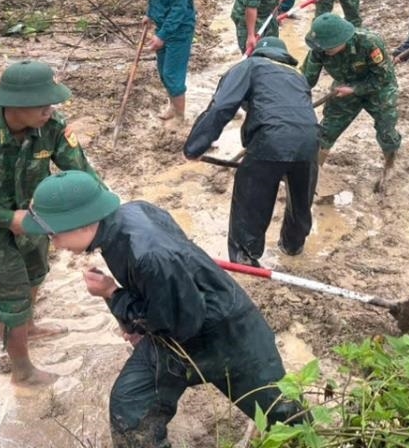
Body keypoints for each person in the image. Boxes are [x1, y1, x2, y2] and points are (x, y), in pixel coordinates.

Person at [23, 170, 303, 447]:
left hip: (227, 335)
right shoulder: (133, 212)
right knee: (130, 408)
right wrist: (130, 316)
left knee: (286, 418)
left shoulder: (149, 256)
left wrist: (112, 294)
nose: (54, 245)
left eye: (53, 235)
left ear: (83, 224)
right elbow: (160, 298)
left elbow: (176, 324)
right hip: (179, 321)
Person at [0, 60, 100, 386]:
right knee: (12, 299)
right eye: (41, 104)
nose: (49, 110)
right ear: (14, 105)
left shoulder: (52, 127)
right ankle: (22, 372)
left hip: (32, 224)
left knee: (36, 274)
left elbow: (81, 173)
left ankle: (29, 327)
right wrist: (6, 218)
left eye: (51, 102)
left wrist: (102, 210)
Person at [183, 36, 319, 265]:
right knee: (301, 199)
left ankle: (245, 259)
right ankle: (293, 246)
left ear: (258, 53)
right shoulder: (298, 76)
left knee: (252, 201)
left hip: (270, 139)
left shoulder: (249, 66)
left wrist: (194, 147)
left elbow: (221, 107)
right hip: (310, 140)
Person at [301, 13, 401, 173]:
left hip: (378, 88)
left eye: (329, 48)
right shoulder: (319, 49)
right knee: (326, 131)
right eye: (323, 48)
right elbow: (306, 79)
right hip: (344, 88)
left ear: (342, 40)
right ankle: (313, 171)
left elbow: (382, 78)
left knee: (386, 128)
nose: (325, 51)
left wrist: (355, 89)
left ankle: (390, 166)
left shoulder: (369, 43)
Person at [137, 0, 196, 122]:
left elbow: (179, 8)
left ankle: (180, 117)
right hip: (163, 25)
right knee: (163, 72)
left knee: (172, 74)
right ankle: (173, 106)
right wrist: (149, 14)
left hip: (179, 29)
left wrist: (162, 36)